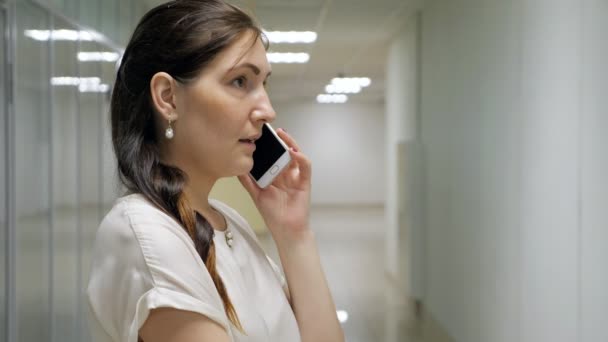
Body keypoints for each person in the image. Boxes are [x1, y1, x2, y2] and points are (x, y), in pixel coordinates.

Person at [85, 1, 345, 341]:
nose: (267, 109)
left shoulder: (225, 220)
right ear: (168, 98)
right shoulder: (146, 235)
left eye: (263, 83)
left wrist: (293, 234)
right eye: (240, 81)